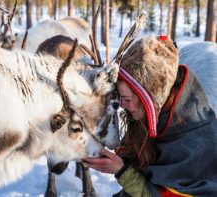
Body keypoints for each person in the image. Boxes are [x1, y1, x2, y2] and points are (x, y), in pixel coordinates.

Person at [83, 36, 217, 197]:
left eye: (127, 99)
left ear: (151, 97)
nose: (123, 106)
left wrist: (121, 171)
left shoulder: (194, 142)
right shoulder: (158, 117)